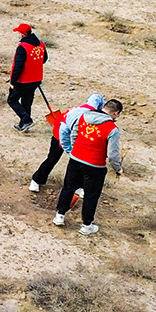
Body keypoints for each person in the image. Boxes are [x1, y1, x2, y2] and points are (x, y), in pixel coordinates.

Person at [53, 98, 123, 234]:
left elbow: (74, 134)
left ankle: (59, 216)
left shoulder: (84, 117)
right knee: (91, 195)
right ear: (116, 113)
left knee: (68, 187)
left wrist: (75, 151)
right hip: (95, 165)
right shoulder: (112, 129)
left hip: (75, 159)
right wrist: (118, 169)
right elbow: (113, 155)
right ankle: (86, 225)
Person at [29, 94, 104, 193]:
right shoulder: (83, 113)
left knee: (79, 163)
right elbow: (64, 131)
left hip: (77, 138)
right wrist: (69, 149)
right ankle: (36, 180)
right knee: (52, 159)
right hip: (59, 135)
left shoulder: (90, 112)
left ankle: (77, 187)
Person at [7, 23, 46, 132]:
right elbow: (44, 59)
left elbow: (18, 66)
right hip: (36, 79)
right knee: (26, 102)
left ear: (23, 34)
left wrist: (13, 82)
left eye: (19, 33)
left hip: (24, 80)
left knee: (12, 100)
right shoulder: (41, 44)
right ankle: (23, 125)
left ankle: (26, 119)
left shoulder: (22, 47)